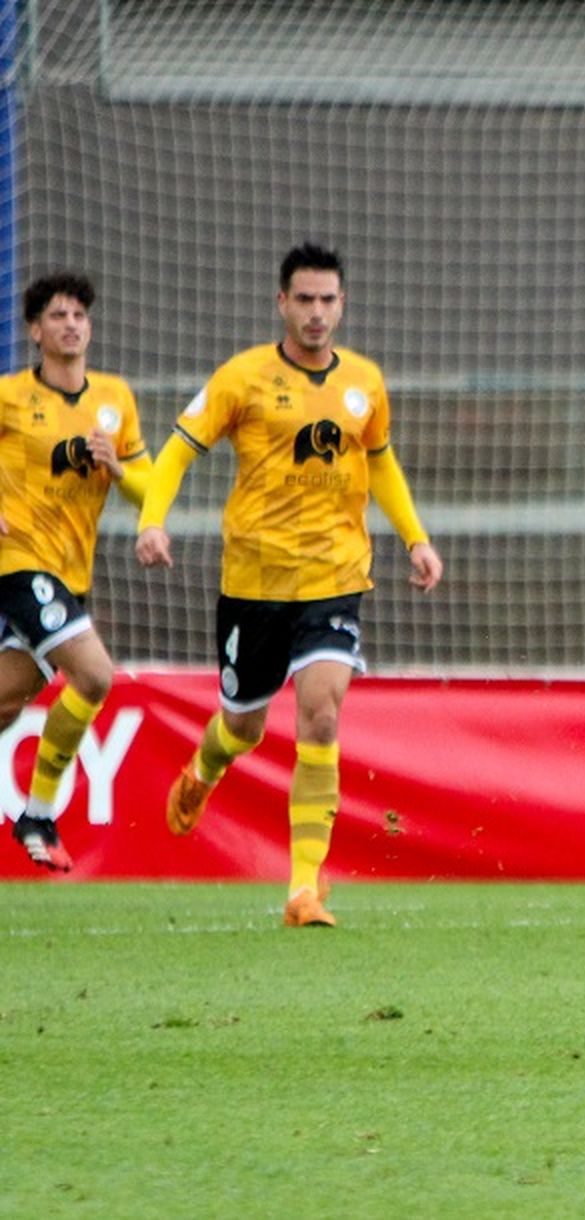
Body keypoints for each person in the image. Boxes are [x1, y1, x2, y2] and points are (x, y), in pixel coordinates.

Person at [134, 242, 443, 927]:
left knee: (322, 714)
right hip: (254, 580)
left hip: (335, 577)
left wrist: (416, 537)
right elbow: (181, 445)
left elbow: (382, 465)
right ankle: (206, 766)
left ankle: (303, 888)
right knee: (242, 724)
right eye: (303, 299)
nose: (316, 313)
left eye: (327, 300)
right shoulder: (241, 377)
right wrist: (153, 520)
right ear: (282, 303)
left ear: (342, 304)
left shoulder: (365, 381)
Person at [1, 272, 150, 872]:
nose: (70, 324)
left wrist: (119, 469)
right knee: (94, 675)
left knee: (6, 702)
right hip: (19, 565)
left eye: (79, 316)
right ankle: (38, 811)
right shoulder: (10, 396)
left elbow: (150, 489)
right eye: (58, 316)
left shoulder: (114, 400)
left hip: (71, 575)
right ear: (36, 331)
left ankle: (36, 814)